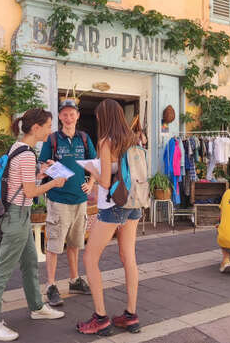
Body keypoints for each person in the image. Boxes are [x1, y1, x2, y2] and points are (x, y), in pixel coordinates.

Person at [0, 108, 66, 342]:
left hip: (18, 215)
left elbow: (20, 183)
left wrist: (41, 174)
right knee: (1, 271)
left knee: (30, 264)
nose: (50, 131)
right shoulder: (27, 154)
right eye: (49, 126)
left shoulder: (19, 148)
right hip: (17, 218)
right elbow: (30, 191)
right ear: (36, 128)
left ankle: (37, 307)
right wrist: (54, 183)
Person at [76, 99, 141, 336]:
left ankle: (101, 317)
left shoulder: (106, 142)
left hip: (112, 206)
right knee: (128, 257)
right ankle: (131, 316)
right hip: (133, 204)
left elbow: (104, 182)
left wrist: (91, 169)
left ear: (104, 117)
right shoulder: (134, 139)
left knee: (90, 258)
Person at [39, 99, 97, 306]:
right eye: (64, 114)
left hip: (80, 200)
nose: (68, 117)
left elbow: (94, 164)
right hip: (58, 200)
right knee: (55, 244)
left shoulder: (84, 138)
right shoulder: (52, 139)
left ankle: (74, 280)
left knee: (75, 243)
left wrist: (91, 183)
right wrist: (49, 165)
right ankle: (51, 285)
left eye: (72, 113)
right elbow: (43, 164)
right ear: (60, 117)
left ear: (77, 116)